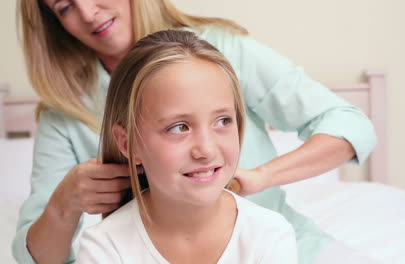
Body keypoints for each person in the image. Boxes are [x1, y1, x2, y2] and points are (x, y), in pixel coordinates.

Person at [13, 0, 377, 263]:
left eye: (223, 120)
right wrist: (64, 204)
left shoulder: (222, 50)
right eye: (64, 7)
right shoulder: (65, 117)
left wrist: (260, 177)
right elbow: (37, 257)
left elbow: (348, 124)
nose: (88, 12)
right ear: (127, 143)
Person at [75, 29, 298, 263]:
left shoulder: (269, 234)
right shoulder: (105, 247)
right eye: (179, 127)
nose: (207, 150)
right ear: (128, 143)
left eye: (222, 121)